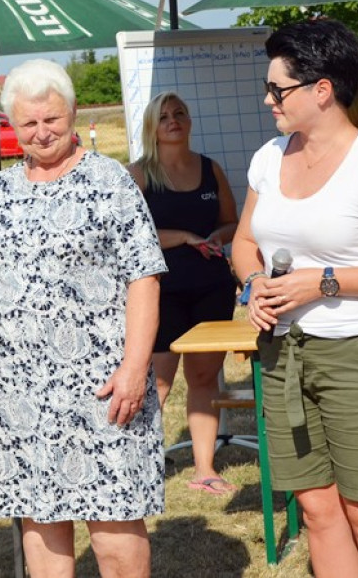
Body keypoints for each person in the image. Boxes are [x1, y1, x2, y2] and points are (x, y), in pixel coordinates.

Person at [0, 59, 166, 578]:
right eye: (29, 124)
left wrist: (135, 368)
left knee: (115, 527)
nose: (42, 132)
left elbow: (145, 277)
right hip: (17, 389)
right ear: (11, 126)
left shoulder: (110, 180)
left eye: (52, 119)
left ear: (72, 114)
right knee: (41, 529)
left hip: (102, 386)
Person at [232, 19, 358, 578]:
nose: (267, 98)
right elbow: (244, 242)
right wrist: (252, 286)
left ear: (322, 90)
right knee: (317, 509)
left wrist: (322, 282)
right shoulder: (269, 157)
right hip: (282, 355)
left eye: (278, 89)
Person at [127, 92, 239, 495]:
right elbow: (127, 237)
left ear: (189, 122)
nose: (173, 120)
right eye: (164, 116)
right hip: (160, 291)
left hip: (212, 287)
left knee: (204, 376)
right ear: (152, 127)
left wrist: (213, 237)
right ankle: (138, 467)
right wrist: (182, 237)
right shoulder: (138, 175)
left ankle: (204, 469)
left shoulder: (211, 169)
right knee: (156, 381)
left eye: (180, 114)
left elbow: (232, 224)